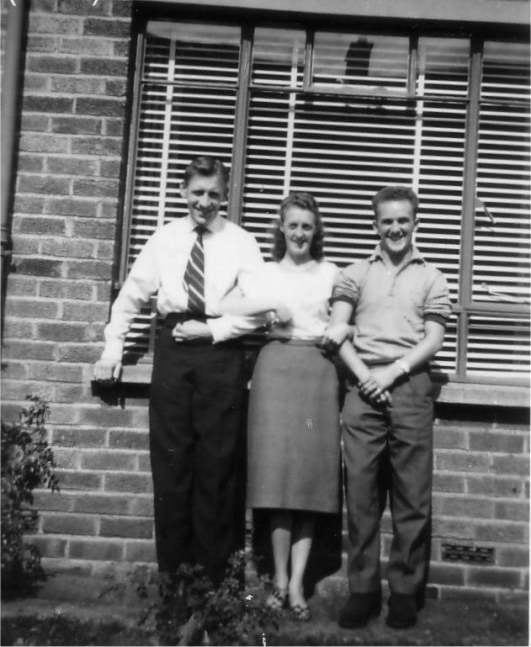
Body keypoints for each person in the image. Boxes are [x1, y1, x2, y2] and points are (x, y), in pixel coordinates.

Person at [93, 156, 265, 586]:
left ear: (225, 194)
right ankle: (175, 584)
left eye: (213, 194)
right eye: (197, 193)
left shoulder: (241, 242)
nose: (205, 203)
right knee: (172, 467)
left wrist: (213, 329)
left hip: (221, 352)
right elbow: (131, 297)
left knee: (217, 468)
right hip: (173, 349)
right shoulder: (165, 238)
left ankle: (213, 587)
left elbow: (261, 309)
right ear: (183, 192)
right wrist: (113, 349)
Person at [218, 191, 376, 621]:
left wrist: (342, 331)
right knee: (278, 481)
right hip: (275, 371)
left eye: (307, 226)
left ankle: (298, 584)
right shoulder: (264, 273)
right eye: (293, 225)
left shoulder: (332, 273)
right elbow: (225, 304)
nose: (300, 233)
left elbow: (357, 325)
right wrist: (269, 304)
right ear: (281, 228)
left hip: (318, 371)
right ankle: (279, 577)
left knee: (308, 483)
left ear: (316, 230)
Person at [322, 185, 452, 630]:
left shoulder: (432, 277)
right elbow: (337, 331)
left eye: (403, 220)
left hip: (410, 384)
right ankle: (362, 591)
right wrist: (366, 377)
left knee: (412, 496)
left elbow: (434, 339)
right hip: (362, 387)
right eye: (387, 221)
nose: (395, 228)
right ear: (375, 224)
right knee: (361, 494)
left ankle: (404, 592)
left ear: (415, 223)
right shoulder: (355, 273)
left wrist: (393, 372)